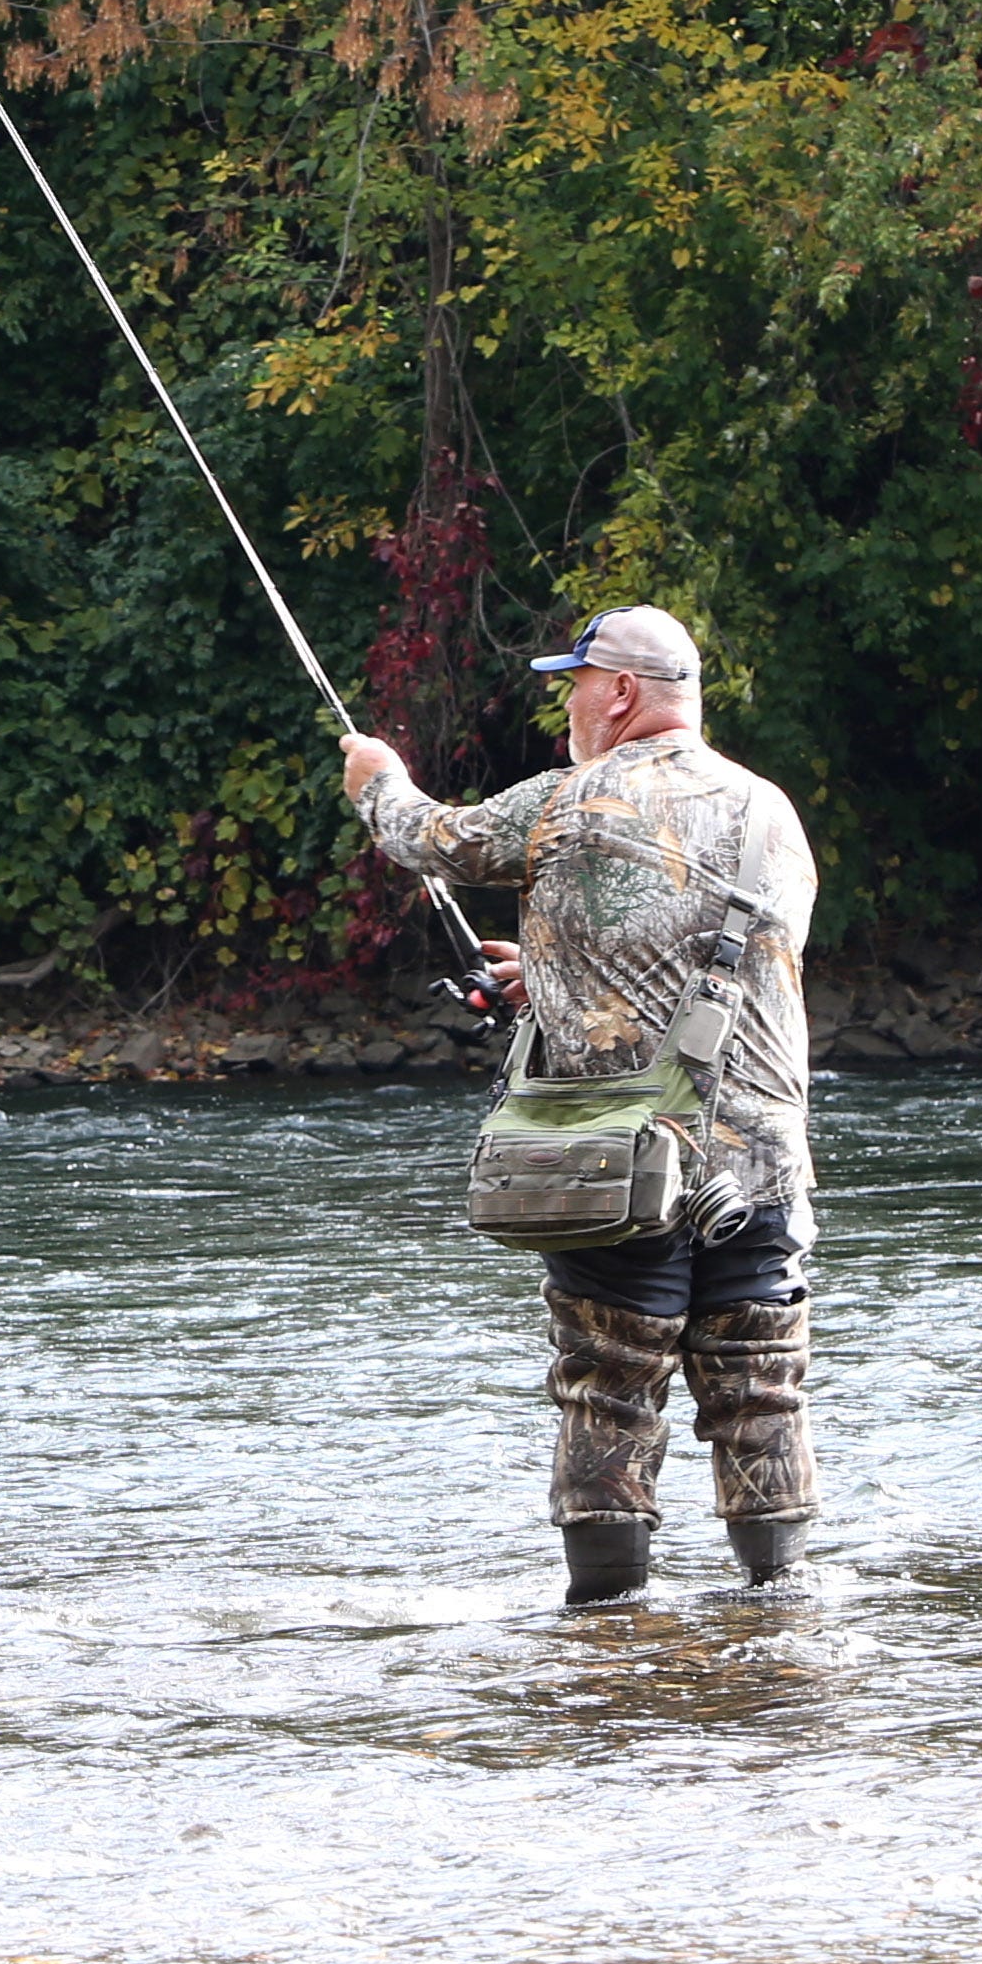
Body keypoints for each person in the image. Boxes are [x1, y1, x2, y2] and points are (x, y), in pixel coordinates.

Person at [335, 605, 824, 1604]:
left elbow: (430, 839)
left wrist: (375, 777)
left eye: (574, 681)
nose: (567, 701)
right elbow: (714, 964)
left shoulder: (568, 802)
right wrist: (557, 975)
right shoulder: (773, 809)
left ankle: (606, 1630)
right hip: (762, 1161)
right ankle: (781, 1618)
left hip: (622, 1160)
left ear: (622, 693)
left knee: (608, 1384)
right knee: (760, 1391)